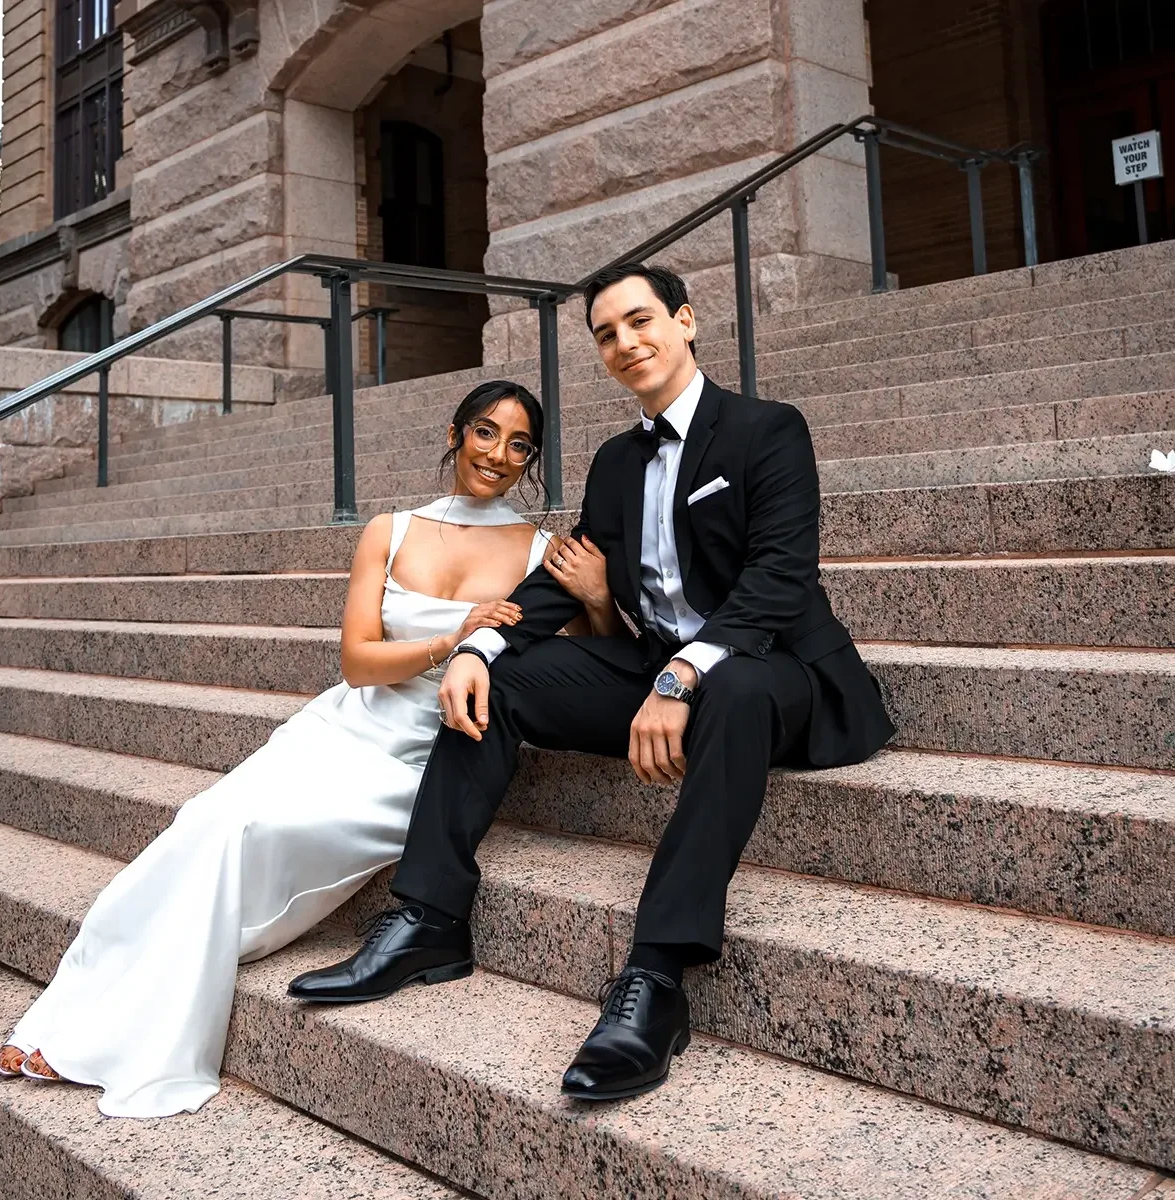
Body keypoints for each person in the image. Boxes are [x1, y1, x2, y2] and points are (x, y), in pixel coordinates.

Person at [287, 264, 895, 1102]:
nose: (625, 343)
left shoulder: (767, 430)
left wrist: (682, 675)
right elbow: (556, 580)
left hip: (779, 674)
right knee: (506, 676)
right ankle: (428, 918)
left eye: (640, 321)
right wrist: (477, 648)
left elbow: (779, 580)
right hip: (661, 671)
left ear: (685, 322)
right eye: (606, 334)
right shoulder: (616, 461)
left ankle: (656, 979)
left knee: (736, 691)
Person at [0, 380, 617, 1119]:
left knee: (250, 831)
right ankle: (79, 1012)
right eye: (486, 432)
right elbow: (357, 662)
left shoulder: (542, 553)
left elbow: (587, 667)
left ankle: (120, 1032)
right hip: (344, 727)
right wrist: (452, 641)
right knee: (205, 819)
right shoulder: (389, 529)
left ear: (531, 460)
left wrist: (599, 599)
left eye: (519, 445)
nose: (498, 454)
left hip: (429, 757)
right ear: (455, 434)